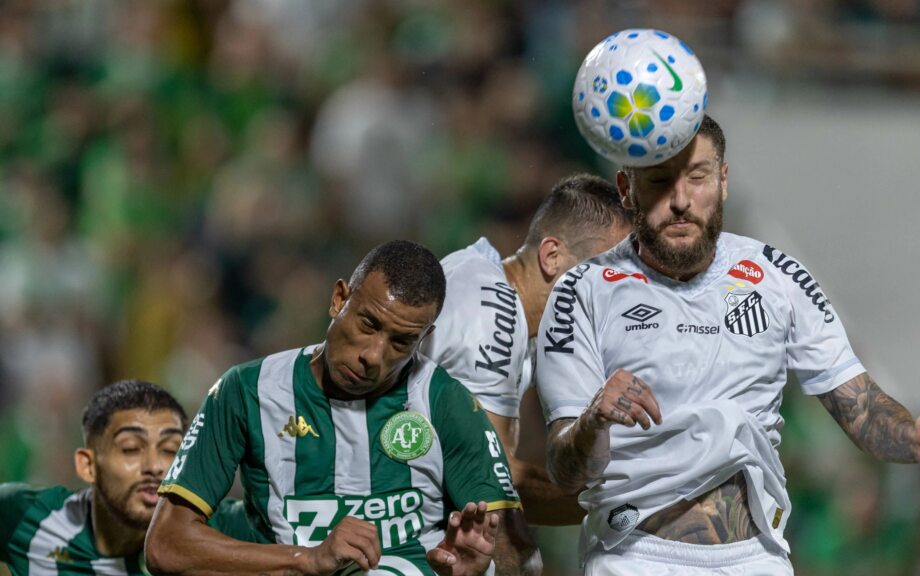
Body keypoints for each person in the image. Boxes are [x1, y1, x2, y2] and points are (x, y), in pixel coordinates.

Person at [536, 115, 920, 575]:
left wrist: (914, 437)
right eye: (660, 181)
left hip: (756, 560)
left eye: (698, 177)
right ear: (627, 189)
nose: (682, 199)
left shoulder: (777, 277)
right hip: (633, 557)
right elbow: (565, 469)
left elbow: (860, 407)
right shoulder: (583, 291)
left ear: (723, 180)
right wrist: (594, 417)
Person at [145, 240, 540, 576]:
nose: (373, 355)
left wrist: (480, 570)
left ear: (424, 338)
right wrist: (307, 559)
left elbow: (519, 555)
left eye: (401, 343)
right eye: (368, 324)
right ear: (339, 300)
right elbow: (165, 545)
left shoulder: (444, 401)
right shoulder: (247, 390)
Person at [422, 173, 630, 526]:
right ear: (552, 256)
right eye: (608, 275)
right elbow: (487, 481)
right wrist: (630, 502)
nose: (618, 298)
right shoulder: (492, 308)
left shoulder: (502, 303)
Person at [0, 379, 254, 575]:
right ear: (88, 465)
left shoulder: (223, 529)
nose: (155, 466)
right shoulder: (27, 517)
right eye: (131, 448)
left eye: (170, 450)